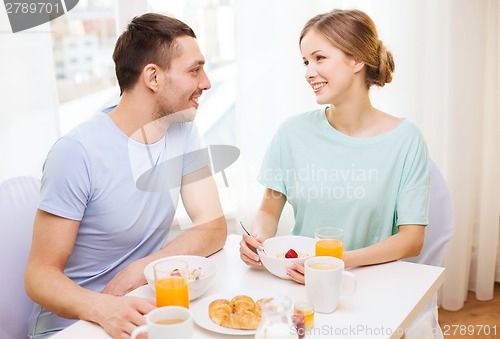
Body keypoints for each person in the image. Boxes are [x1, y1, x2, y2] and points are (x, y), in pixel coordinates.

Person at [25, 13, 227, 339]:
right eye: (194, 70)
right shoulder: (77, 152)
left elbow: (213, 226)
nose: (206, 82)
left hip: (141, 307)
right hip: (76, 325)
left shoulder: (182, 130)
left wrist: (143, 268)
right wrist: (102, 308)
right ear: (153, 77)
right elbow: (39, 275)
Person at [240, 9, 429, 283]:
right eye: (305, 61)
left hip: (366, 282)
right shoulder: (292, 133)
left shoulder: (406, 140)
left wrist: (337, 262)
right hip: (296, 278)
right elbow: (269, 209)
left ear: (356, 59)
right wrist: (258, 240)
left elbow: (412, 239)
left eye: (319, 58)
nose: (308, 72)